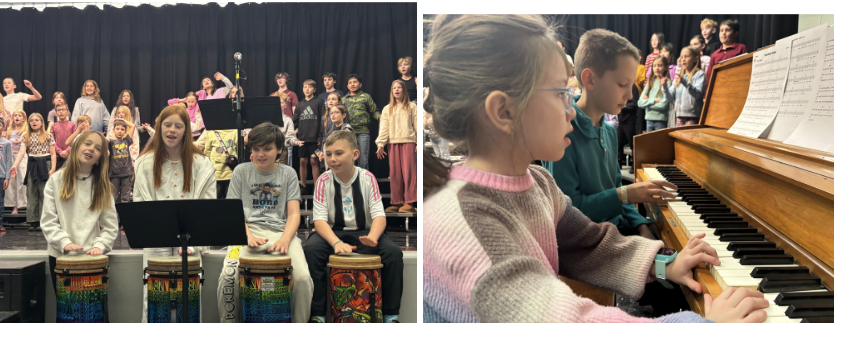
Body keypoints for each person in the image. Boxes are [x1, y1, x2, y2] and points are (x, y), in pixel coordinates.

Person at [422, 14, 769, 323]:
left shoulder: (538, 182)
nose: (571, 109)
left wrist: (663, 264)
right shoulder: (462, 224)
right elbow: (569, 322)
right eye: (560, 92)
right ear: (504, 112)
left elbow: (589, 245)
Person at [216, 122, 314, 323]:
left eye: (267, 148)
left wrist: (286, 239)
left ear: (279, 149)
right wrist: (246, 235)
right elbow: (232, 212)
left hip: (281, 232)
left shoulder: (288, 173)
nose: (261, 154)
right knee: (228, 279)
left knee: (303, 279)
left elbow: (294, 214)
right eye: (256, 149)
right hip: (245, 231)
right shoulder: (241, 171)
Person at [304, 130, 403, 323]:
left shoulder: (367, 178)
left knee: (393, 254)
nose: (333, 159)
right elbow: (320, 221)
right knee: (312, 250)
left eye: (339, 153)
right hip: (332, 233)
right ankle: (317, 314)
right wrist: (336, 243)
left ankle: (391, 315)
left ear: (355, 155)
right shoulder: (323, 181)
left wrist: (373, 237)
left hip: (364, 232)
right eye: (329, 153)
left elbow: (379, 216)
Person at [133, 104, 216, 323]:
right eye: (167, 125)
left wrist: (194, 243)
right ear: (159, 127)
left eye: (178, 126)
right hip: (156, 242)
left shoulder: (203, 164)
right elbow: (140, 205)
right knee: (154, 301)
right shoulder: (144, 163)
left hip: (190, 245)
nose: (172, 130)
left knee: (189, 303)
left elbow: (207, 209)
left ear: (186, 130)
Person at [41, 130, 118, 291]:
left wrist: (100, 245)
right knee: (66, 313)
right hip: (60, 257)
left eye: (97, 148)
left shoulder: (102, 187)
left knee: (94, 314)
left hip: (92, 258)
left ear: (99, 159)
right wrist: (64, 242)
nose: (91, 149)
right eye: (87, 144)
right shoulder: (56, 180)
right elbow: (48, 220)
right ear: (76, 147)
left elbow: (110, 226)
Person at [375, 80, 417, 213]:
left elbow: (416, 125)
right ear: (391, 91)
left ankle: (409, 201)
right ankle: (396, 202)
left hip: (408, 142)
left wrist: (418, 142)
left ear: (404, 90)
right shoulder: (387, 109)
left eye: (399, 88)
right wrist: (381, 144)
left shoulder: (411, 107)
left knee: (409, 172)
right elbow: (384, 127)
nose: (397, 90)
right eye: (394, 88)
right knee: (395, 173)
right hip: (392, 143)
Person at [10, 112, 57, 231]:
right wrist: (15, 165)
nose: (34, 122)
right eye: (32, 120)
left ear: (42, 123)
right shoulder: (26, 135)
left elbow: (53, 154)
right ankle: (33, 221)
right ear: (29, 123)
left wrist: (52, 168)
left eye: (37, 120)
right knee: (32, 191)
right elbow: (21, 152)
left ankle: (44, 220)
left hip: (45, 164)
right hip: (33, 164)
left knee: (44, 192)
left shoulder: (48, 135)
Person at [341, 74, 380, 170]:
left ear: (360, 84)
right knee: (349, 159)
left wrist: (380, 117)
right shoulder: (343, 100)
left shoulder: (366, 97)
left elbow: (374, 111)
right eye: (350, 83)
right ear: (347, 86)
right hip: (348, 133)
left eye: (355, 82)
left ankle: (364, 183)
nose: (352, 84)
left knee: (363, 160)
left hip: (363, 132)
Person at [293, 79, 325, 193]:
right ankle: (303, 186)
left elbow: (323, 120)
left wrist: (320, 137)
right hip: (302, 139)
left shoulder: (319, 102)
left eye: (310, 87)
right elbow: (295, 121)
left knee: (314, 161)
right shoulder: (300, 104)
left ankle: (317, 188)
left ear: (314, 89)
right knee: (303, 161)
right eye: (305, 87)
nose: (307, 89)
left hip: (314, 139)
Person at [667, 46, 706, 126]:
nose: (683, 59)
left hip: (693, 116)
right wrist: (664, 87)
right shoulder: (679, 77)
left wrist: (684, 81)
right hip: (679, 116)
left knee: (688, 138)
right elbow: (670, 97)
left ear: (696, 59)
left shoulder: (699, 75)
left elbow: (698, 94)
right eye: (681, 57)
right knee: (678, 138)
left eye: (686, 56)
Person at [706, 19, 747, 86]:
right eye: (721, 30)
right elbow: (709, 77)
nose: (723, 33)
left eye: (727, 30)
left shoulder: (741, 48)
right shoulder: (715, 54)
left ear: (735, 33)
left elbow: (745, 70)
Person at [5, 109, 29, 214]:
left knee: (21, 179)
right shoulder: (9, 130)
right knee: (11, 181)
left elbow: (24, 139)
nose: (17, 117)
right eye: (15, 115)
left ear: (24, 118)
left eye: (19, 116)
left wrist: (19, 141)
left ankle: (22, 204)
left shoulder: (26, 129)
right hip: (11, 155)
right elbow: (6, 141)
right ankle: (13, 205)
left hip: (21, 155)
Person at [640, 56, 671, 132]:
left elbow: (663, 105)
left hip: (661, 120)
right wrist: (653, 100)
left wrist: (647, 102)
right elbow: (640, 103)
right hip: (648, 119)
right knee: (648, 143)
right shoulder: (650, 83)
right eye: (654, 66)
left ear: (666, 67)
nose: (657, 68)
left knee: (659, 143)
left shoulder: (668, 83)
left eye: (660, 65)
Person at [108, 120, 134, 203]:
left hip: (127, 172)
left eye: (122, 129)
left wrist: (122, 120)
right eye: (117, 128)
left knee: (125, 197)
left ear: (125, 131)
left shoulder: (127, 140)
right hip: (114, 173)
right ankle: (114, 214)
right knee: (113, 197)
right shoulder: (111, 142)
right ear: (113, 130)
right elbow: (104, 139)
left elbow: (133, 126)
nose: (119, 131)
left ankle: (124, 214)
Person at [49, 103, 76, 171]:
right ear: (56, 113)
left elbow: (76, 139)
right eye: (59, 110)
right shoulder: (53, 126)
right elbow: (51, 141)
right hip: (58, 156)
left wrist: (67, 151)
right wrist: (60, 151)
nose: (61, 112)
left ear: (68, 112)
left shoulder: (72, 124)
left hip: (70, 155)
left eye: (63, 110)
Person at [0, 119, 11, 233]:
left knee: (0, 200)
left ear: (3, 128)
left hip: (1, 175)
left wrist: (7, 177)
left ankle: (0, 222)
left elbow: (8, 161)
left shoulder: (7, 143)